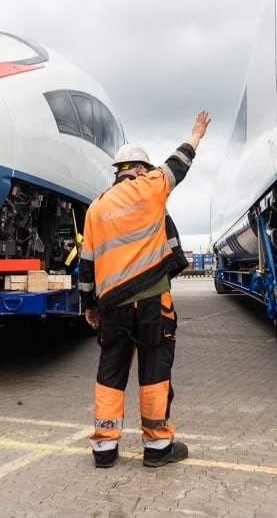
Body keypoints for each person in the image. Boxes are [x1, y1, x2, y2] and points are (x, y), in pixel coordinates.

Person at [78, 110, 210, 468]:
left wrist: (89, 305)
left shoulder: (96, 209)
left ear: (117, 171)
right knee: (154, 373)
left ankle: (104, 449)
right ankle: (157, 447)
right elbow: (178, 163)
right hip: (152, 301)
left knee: (110, 373)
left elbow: (86, 267)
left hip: (112, 307)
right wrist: (196, 134)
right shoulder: (151, 187)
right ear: (139, 169)